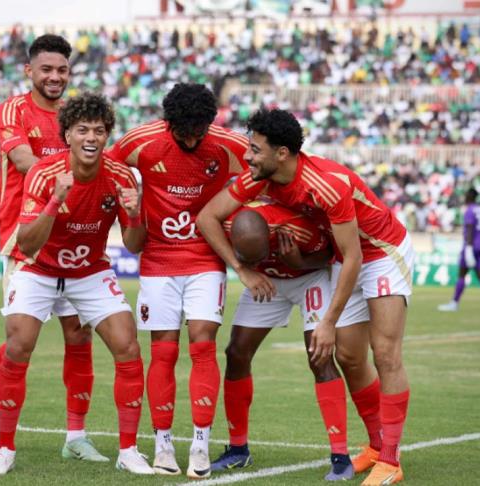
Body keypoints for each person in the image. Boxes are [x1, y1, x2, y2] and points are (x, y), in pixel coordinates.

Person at [197, 108, 414, 486]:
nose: (247, 157)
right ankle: (378, 447)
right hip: (341, 257)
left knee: (384, 354)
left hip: (380, 252)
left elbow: (354, 257)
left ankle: (392, 462)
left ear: (282, 153)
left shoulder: (326, 184)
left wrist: (327, 321)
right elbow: (208, 216)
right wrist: (244, 268)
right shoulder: (259, 178)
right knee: (348, 356)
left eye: (255, 149)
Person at [0, 93, 154, 477]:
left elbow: (135, 244)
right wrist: (54, 202)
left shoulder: (122, 176)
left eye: (99, 130)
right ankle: (4, 449)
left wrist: (134, 212)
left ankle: (128, 450)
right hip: (39, 269)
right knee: (18, 343)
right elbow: (26, 243)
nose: (91, 137)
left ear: (107, 135)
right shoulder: (44, 174)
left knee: (127, 345)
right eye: (82, 130)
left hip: (89, 271)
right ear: (68, 135)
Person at [107, 83, 248, 479]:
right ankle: (164, 443)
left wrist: (241, 219)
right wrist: (127, 207)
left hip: (206, 256)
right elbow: (109, 167)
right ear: (169, 122)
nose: (190, 138)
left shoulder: (227, 144)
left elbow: (259, 174)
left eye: (198, 131)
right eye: (183, 131)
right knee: (163, 352)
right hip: (157, 259)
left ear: (209, 123)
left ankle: (200, 445)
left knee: (203, 344)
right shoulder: (142, 140)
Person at [0, 34, 105, 461]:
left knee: (79, 334)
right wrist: (72, 179)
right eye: (46, 69)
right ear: (29, 71)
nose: (54, 77)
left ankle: (76, 437)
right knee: (19, 338)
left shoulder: (76, 116)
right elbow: (24, 163)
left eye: (62, 70)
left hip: (74, 238)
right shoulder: (14, 110)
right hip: (25, 236)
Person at [211, 203, 378, 481]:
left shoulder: (299, 228)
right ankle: (238, 449)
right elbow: (207, 222)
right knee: (236, 352)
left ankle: (340, 458)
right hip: (265, 282)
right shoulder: (228, 225)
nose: (253, 259)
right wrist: (244, 268)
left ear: (270, 236)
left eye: (259, 254)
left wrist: (300, 262)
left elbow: (330, 256)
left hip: (308, 278)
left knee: (319, 357)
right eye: (247, 256)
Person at [438, 188, 480, 313]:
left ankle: (454, 303)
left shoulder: (469, 210)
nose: (464, 197)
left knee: (462, 274)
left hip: (471, 245)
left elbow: (470, 228)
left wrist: (469, 248)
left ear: (470, 196)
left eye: (466, 195)